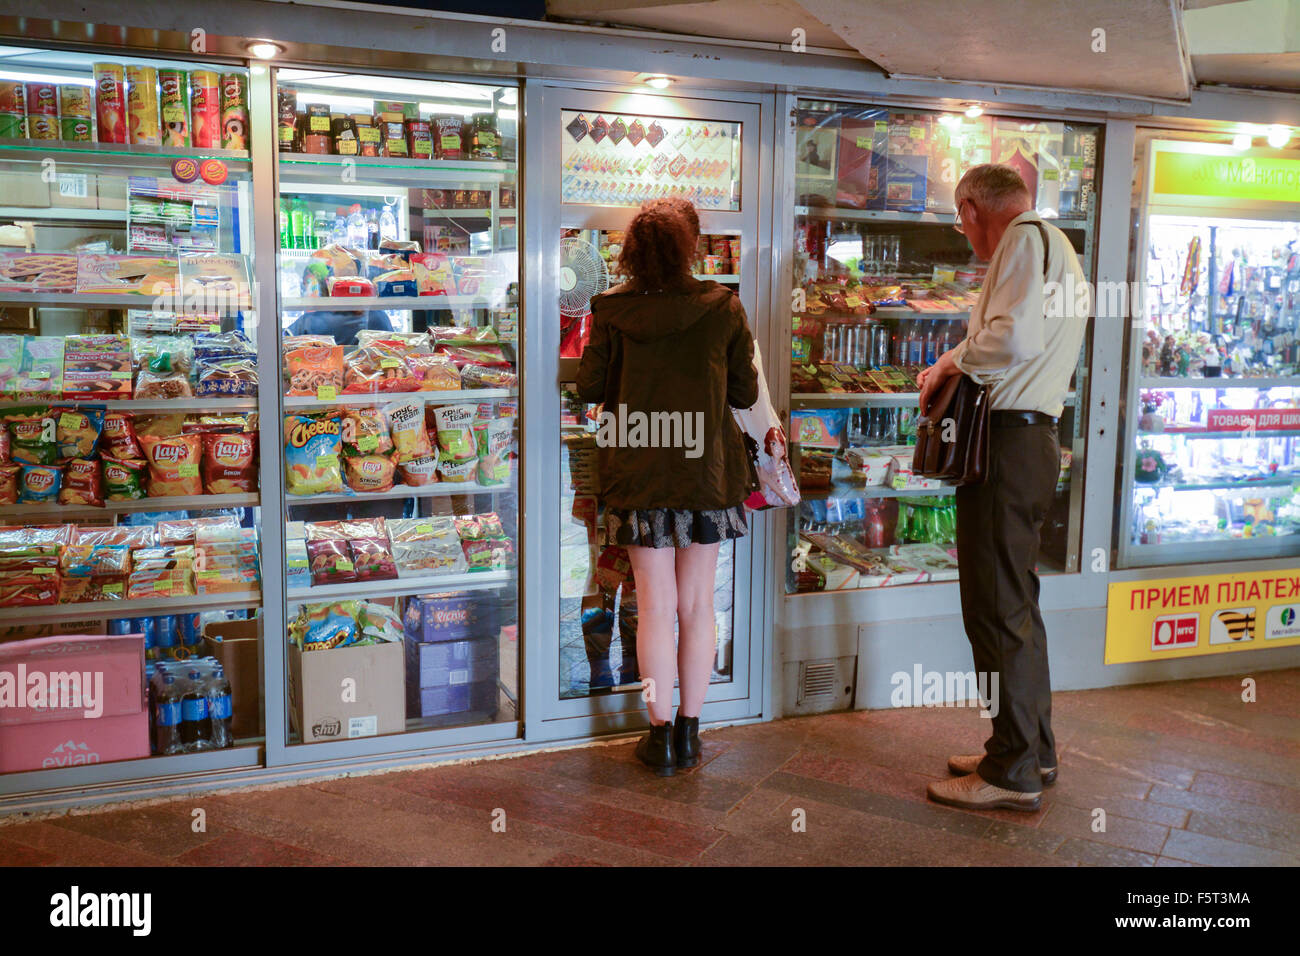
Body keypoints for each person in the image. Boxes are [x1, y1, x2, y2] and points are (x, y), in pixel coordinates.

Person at [916, 164, 1090, 813]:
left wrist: (949, 361)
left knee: (994, 608)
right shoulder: (1056, 244)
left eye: (961, 222)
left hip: (1008, 444)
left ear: (971, 208)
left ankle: (1011, 767)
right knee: (1016, 604)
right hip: (1029, 441)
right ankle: (1027, 749)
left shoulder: (1021, 237)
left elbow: (1012, 338)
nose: (967, 236)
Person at [576, 197, 758, 777]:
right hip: (705, 470)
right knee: (699, 605)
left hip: (637, 468)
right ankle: (690, 733)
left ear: (631, 251)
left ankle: (658, 737)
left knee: (653, 607)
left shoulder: (609, 308)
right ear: (690, 248)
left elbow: (589, 387)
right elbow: (744, 394)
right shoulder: (721, 306)